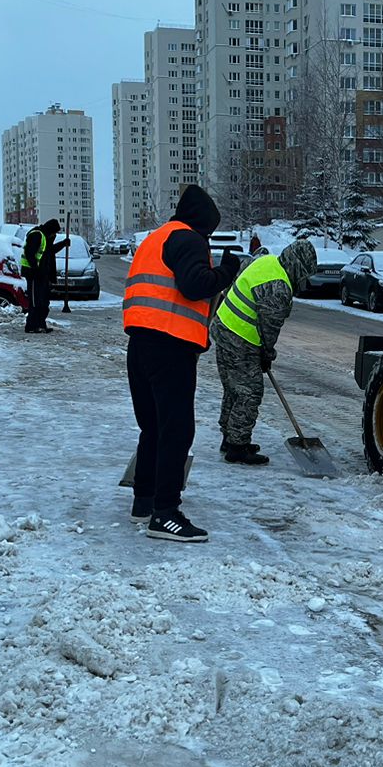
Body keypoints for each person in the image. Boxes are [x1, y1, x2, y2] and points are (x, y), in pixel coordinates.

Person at [122, 184, 240, 543]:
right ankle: (166, 513)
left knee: (153, 428)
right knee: (176, 430)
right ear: (203, 222)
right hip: (170, 346)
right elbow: (195, 285)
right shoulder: (189, 239)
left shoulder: (156, 239)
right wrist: (228, 270)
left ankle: (144, 501)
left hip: (141, 345)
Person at [211, 240, 317, 465]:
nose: (303, 281)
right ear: (297, 267)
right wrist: (266, 354)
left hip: (223, 328)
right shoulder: (279, 288)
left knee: (233, 389)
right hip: (239, 339)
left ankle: (230, 438)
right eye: (304, 275)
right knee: (250, 392)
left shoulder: (267, 261)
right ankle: (237, 448)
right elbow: (269, 331)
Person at [22, 217, 60, 333]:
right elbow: (29, 253)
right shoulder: (37, 235)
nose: (54, 235)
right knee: (35, 301)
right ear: (50, 230)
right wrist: (36, 269)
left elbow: (49, 251)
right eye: (54, 232)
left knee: (42, 301)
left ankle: (40, 324)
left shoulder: (43, 236)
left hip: (41, 274)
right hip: (33, 274)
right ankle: (31, 326)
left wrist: (62, 244)